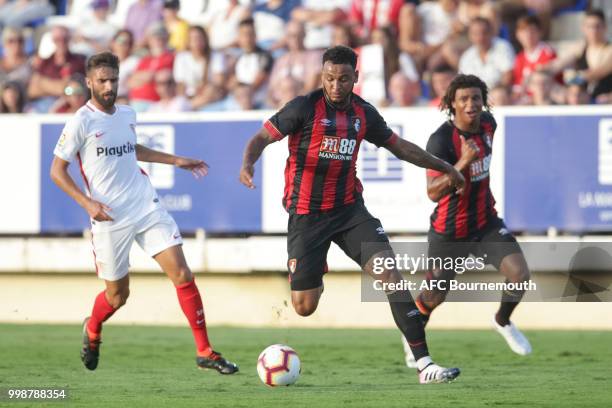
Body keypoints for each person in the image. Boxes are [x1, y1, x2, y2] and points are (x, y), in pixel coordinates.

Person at [240, 45, 464, 384]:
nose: (335, 86)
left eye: (344, 79)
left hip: (349, 211)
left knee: (390, 273)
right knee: (304, 306)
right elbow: (260, 137)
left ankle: (424, 364)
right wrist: (247, 163)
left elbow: (400, 147)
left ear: (355, 78)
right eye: (330, 78)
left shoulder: (363, 114)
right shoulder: (303, 107)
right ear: (322, 76)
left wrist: (445, 166)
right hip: (307, 216)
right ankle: (318, 263)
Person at [49, 51, 238, 375]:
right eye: (103, 81)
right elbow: (57, 170)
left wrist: (177, 160)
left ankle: (205, 351)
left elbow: (132, 148)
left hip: (144, 203)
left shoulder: (127, 114)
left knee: (182, 273)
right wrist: (88, 203)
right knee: (118, 295)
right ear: (90, 82)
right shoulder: (81, 121)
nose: (109, 86)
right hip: (109, 217)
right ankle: (93, 328)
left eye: (114, 80)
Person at [401, 74, 532, 368]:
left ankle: (502, 321)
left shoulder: (489, 124)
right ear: (452, 104)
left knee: (520, 275)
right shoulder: (440, 140)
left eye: (476, 98)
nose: (471, 104)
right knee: (434, 295)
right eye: (464, 99)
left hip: (485, 223)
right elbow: (433, 192)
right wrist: (462, 163)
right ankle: (414, 334)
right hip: (450, 231)